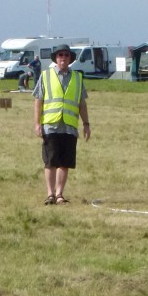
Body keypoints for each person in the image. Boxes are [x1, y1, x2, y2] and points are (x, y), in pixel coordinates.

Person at [33, 43, 91, 205]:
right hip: (51, 125)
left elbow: (82, 103)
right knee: (51, 161)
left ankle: (59, 195)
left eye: (66, 55)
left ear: (70, 58)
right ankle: (50, 194)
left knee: (65, 163)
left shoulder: (77, 78)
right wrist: (37, 123)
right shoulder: (45, 76)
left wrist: (86, 123)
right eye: (60, 55)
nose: (63, 58)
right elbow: (38, 100)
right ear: (56, 58)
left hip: (69, 126)